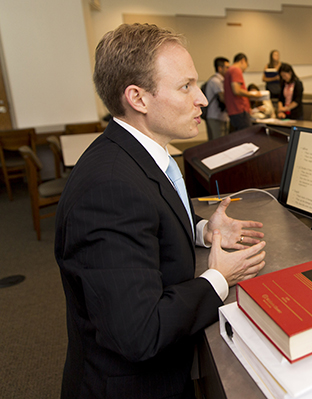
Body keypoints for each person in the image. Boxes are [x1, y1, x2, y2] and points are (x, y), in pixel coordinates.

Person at [55, 23, 267, 398]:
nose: (201, 99)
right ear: (138, 98)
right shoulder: (109, 189)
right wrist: (219, 278)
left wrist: (202, 230)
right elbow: (140, 331)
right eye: (186, 87)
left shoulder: (136, 153)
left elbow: (147, 221)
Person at [224, 53, 263, 132]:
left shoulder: (229, 71)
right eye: (246, 65)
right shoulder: (236, 70)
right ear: (243, 61)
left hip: (233, 110)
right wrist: (253, 94)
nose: (245, 69)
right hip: (240, 110)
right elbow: (236, 90)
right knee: (246, 135)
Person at [203, 56, 230, 140]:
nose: (228, 70)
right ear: (219, 68)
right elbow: (223, 98)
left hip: (221, 116)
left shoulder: (222, 80)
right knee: (218, 142)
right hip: (215, 116)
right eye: (227, 67)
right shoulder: (215, 81)